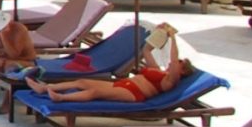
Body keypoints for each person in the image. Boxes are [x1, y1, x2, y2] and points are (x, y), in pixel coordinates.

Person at [34, 25, 184, 104]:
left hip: (134, 93)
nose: (174, 63)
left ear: (181, 71)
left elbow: (174, 59)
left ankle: (61, 98)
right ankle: (45, 88)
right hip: (124, 84)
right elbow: (147, 50)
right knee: (82, 82)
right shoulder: (158, 71)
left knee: (95, 92)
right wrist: (160, 33)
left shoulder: (170, 81)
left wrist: (173, 38)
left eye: (179, 64)